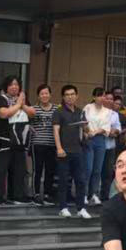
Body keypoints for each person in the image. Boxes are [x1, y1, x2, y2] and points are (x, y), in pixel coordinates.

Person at [0, 75, 32, 205]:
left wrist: (22, 104)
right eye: (11, 84)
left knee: (18, 170)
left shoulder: (23, 100)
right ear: (6, 87)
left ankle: (16, 196)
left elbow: (32, 113)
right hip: (3, 140)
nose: (14, 87)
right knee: (0, 170)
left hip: (18, 141)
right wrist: (18, 104)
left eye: (16, 84)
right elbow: (4, 114)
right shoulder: (2, 98)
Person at [54, 84, 89, 218]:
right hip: (64, 150)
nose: (70, 97)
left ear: (76, 96)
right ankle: (63, 208)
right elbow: (56, 131)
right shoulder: (59, 111)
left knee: (80, 180)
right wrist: (59, 148)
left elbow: (86, 131)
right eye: (67, 95)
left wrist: (86, 128)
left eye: (72, 94)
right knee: (63, 180)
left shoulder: (80, 111)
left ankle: (81, 208)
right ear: (63, 97)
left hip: (78, 150)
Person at [83, 86, 116, 207]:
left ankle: (94, 194)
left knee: (97, 169)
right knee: (88, 168)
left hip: (100, 140)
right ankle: (84, 194)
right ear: (94, 97)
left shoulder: (107, 111)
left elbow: (106, 127)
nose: (102, 98)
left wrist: (95, 132)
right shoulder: (87, 107)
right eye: (99, 95)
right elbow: (83, 123)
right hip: (88, 139)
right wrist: (87, 132)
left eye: (103, 96)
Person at [29, 83, 59, 206]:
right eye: (42, 94)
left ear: (50, 95)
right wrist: (29, 127)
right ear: (38, 96)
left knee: (50, 170)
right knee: (37, 170)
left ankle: (47, 194)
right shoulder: (33, 109)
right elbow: (25, 121)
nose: (44, 95)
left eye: (46, 93)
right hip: (37, 143)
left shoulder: (56, 109)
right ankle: (35, 194)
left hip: (52, 144)